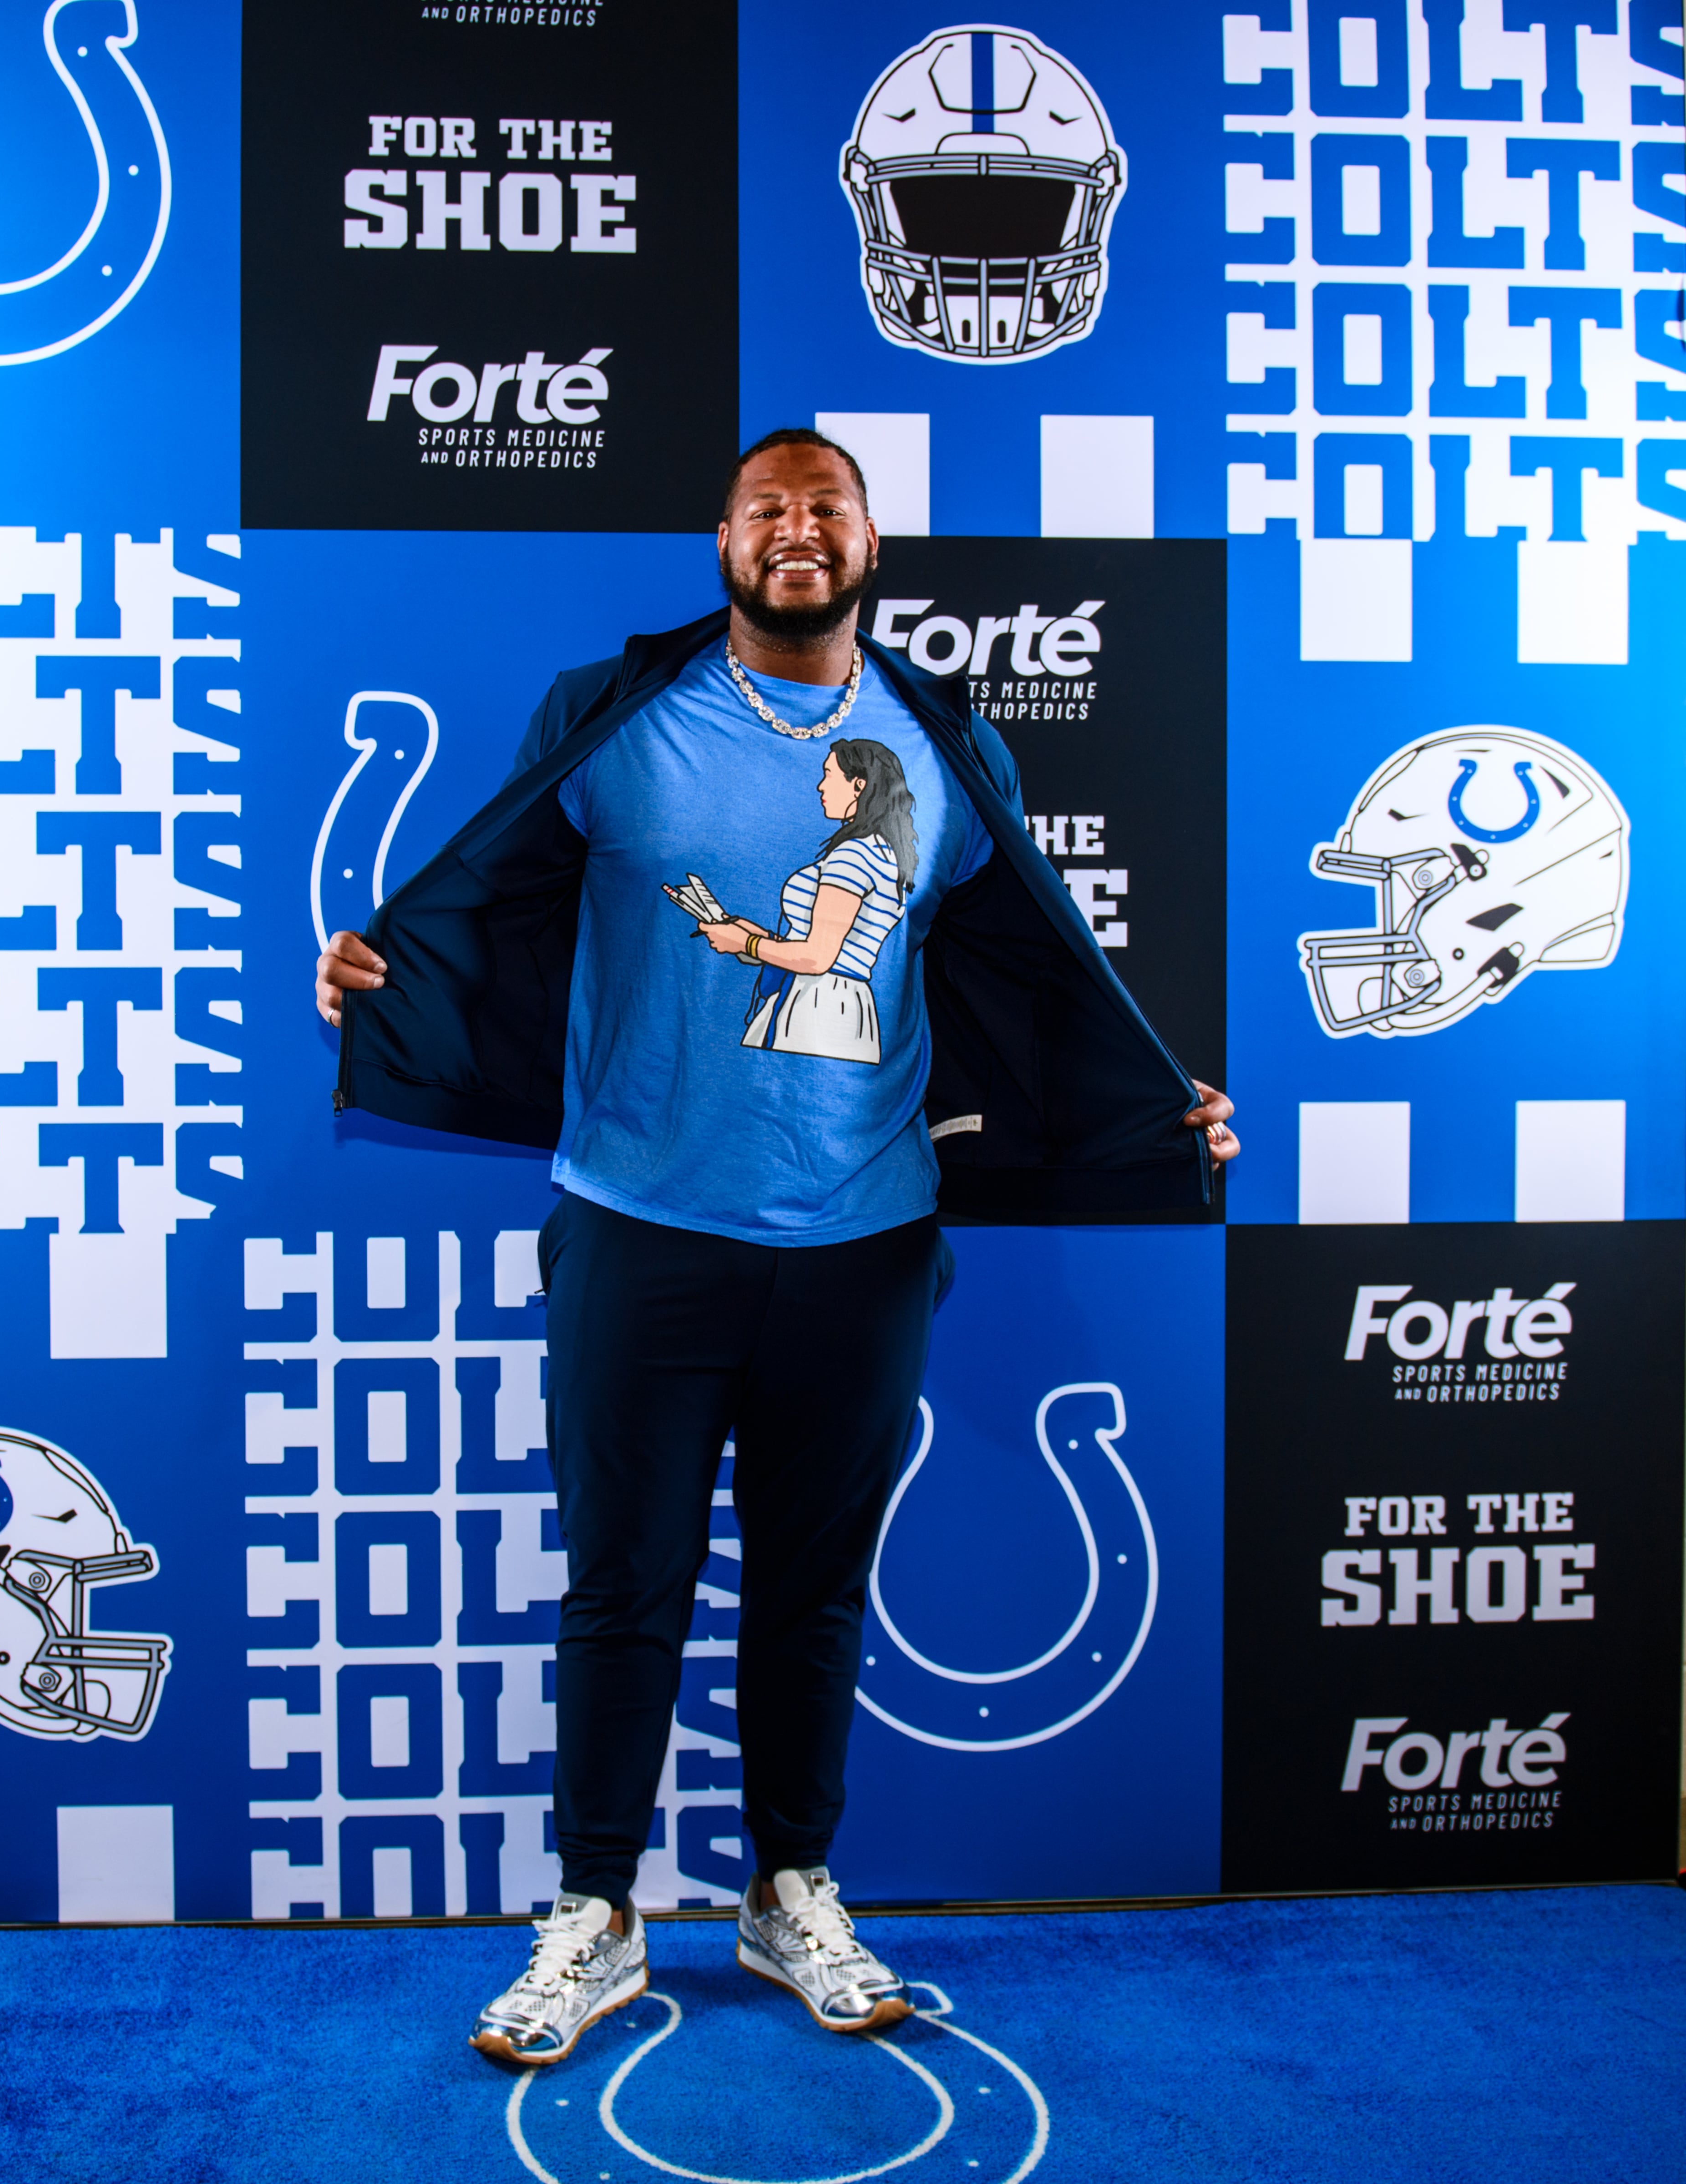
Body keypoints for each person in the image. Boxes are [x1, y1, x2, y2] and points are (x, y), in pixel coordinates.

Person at [316, 428, 1239, 2067]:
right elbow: (485, 914)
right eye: (766, 508)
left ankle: (789, 1891)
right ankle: (595, 1914)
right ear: (724, 541)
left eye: (827, 507)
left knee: (813, 1595)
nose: (795, 528)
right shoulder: (612, 716)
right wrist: (380, 987)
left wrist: (1153, 1106)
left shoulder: (947, 744)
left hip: (865, 1239)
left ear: (870, 545)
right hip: (637, 1223)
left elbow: (1030, 969)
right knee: (625, 1588)